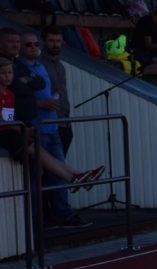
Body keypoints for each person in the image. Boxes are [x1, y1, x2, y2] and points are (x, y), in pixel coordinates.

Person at [0, 56, 103, 191]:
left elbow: (8, 119)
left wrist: (22, 129)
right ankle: (74, 176)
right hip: (4, 136)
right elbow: (4, 122)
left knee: (39, 149)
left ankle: (76, 175)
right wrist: (24, 129)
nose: (8, 77)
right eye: (3, 73)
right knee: (37, 150)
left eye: (10, 73)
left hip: (10, 132)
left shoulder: (10, 94)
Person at [39, 26, 72, 155]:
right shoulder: (39, 64)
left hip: (64, 122)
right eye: (51, 41)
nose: (55, 45)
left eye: (58, 41)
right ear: (44, 42)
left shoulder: (60, 66)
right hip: (49, 124)